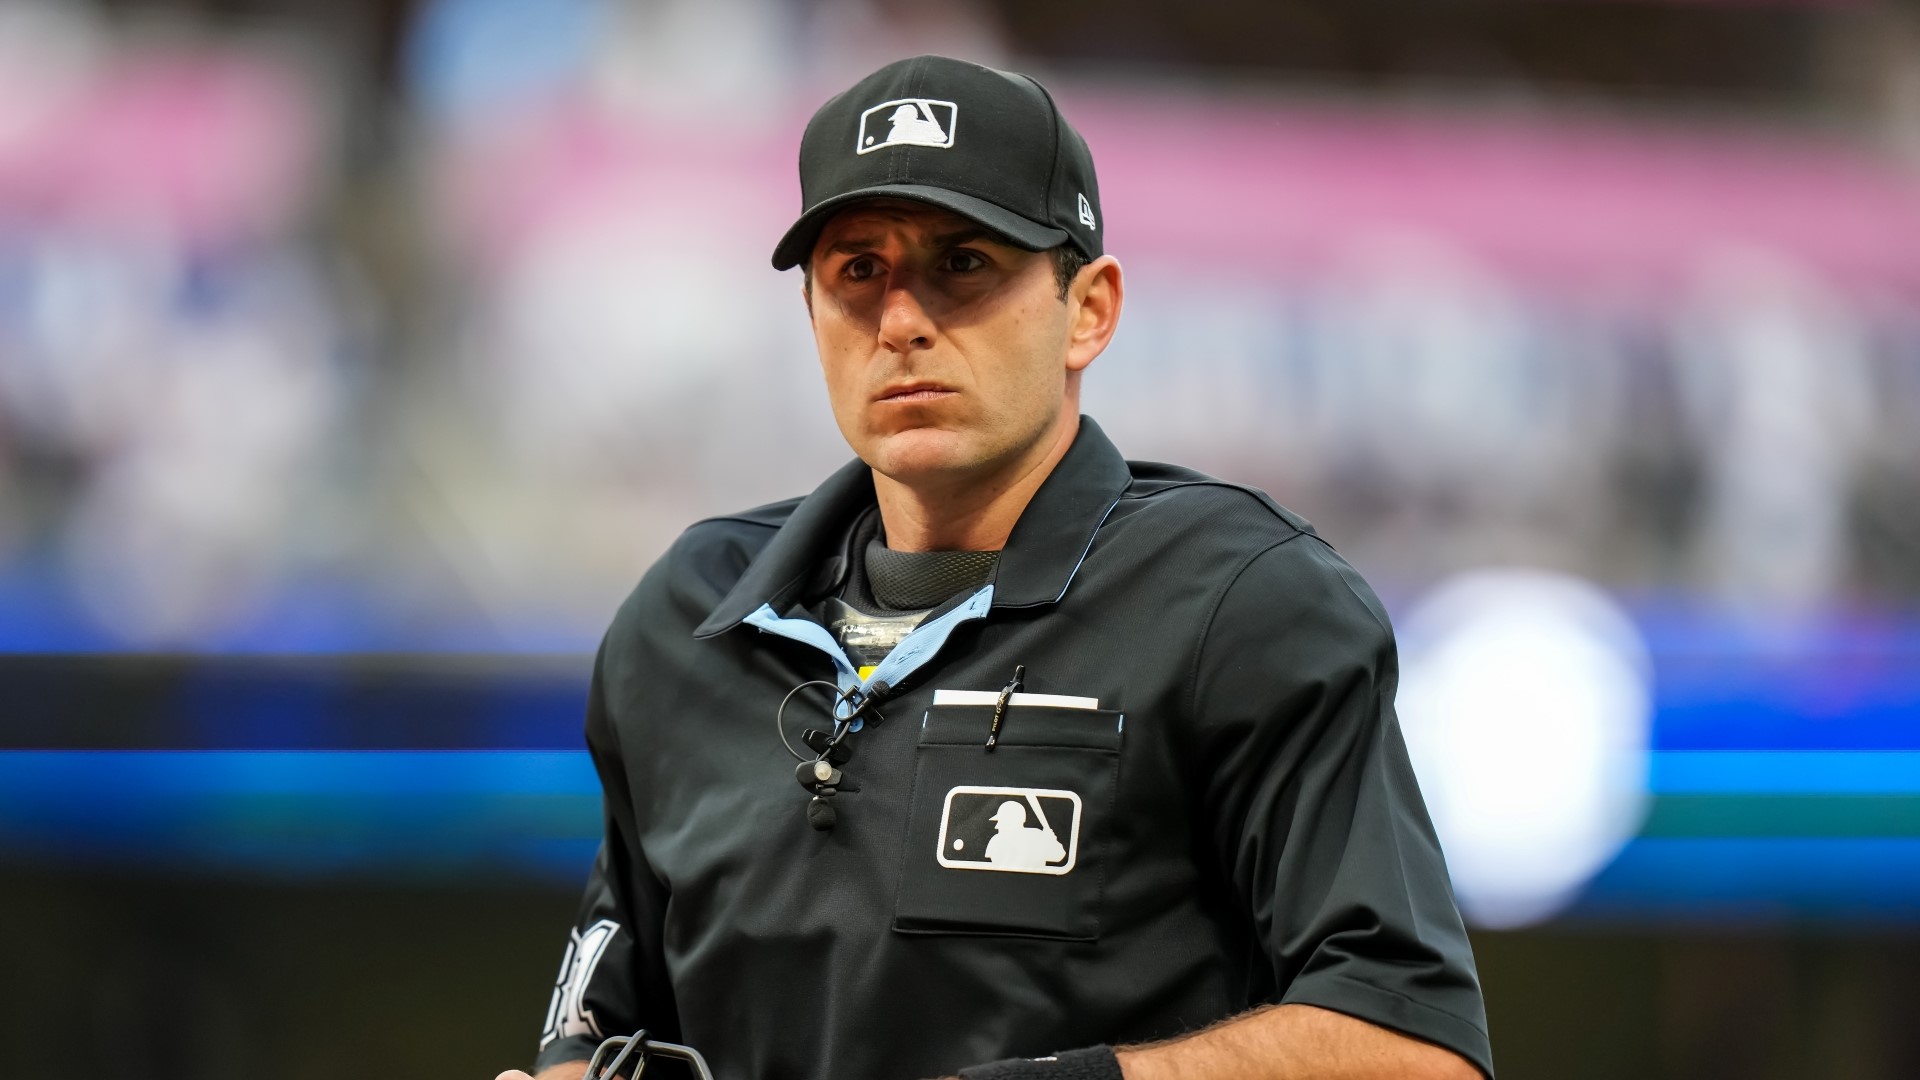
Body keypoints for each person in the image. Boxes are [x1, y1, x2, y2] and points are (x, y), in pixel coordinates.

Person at [498, 54, 1492, 1080]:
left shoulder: (1241, 601)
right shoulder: (688, 618)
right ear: (812, 316)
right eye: (856, 271)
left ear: (1089, 309)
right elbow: (595, 1033)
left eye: (964, 264)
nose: (900, 321)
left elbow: (1413, 1048)